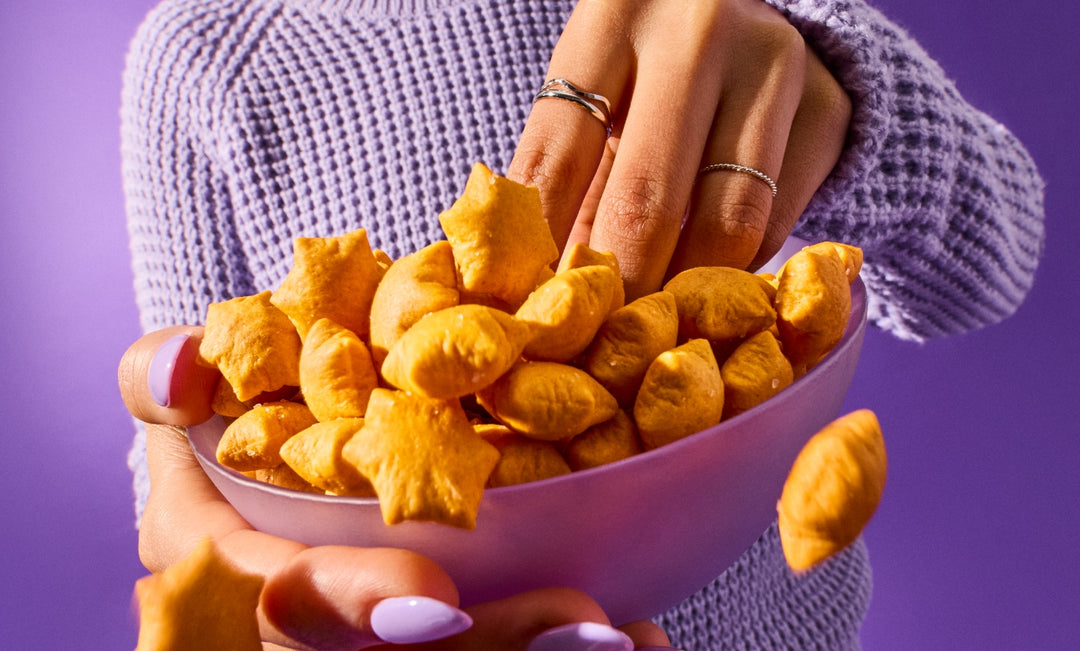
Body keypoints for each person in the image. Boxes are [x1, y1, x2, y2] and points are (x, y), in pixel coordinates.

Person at [117, 0, 1045, 648]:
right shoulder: (202, 59)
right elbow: (201, 442)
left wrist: (834, 89)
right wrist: (233, 554)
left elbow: (999, 253)